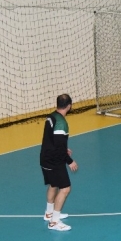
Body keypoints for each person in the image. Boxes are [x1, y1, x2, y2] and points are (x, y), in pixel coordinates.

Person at [40, 94, 78, 231]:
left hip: (45, 157)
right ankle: (54, 222)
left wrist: (63, 148)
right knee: (65, 188)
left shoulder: (51, 117)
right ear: (69, 106)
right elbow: (59, 147)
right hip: (55, 160)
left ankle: (49, 213)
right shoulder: (62, 123)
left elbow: (51, 139)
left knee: (54, 184)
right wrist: (69, 161)